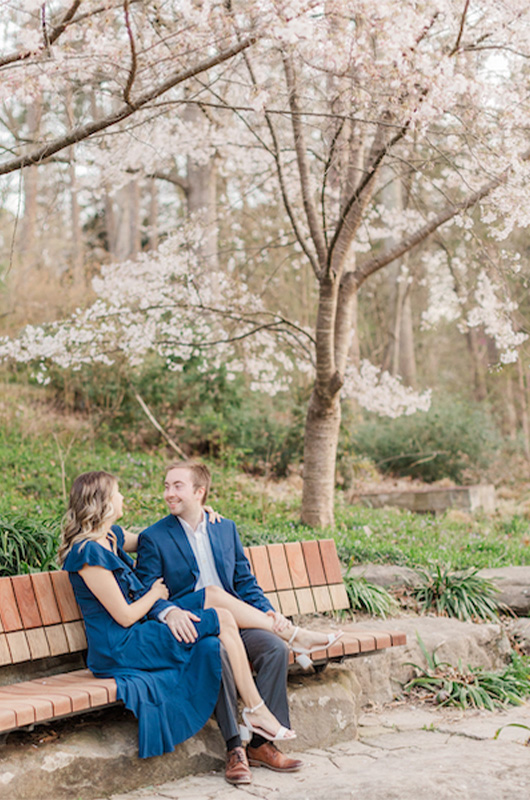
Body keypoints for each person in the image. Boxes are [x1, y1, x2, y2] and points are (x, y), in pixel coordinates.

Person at [59, 471, 295, 786]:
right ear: (101, 502)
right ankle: (255, 710)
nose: (122, 498)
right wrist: (156, 596)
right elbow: (125, 615)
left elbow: (152, 537)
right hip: (121, 644)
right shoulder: (87, 553)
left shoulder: (111, 536)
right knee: (221, 617)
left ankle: (251, 736)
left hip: (140, 634)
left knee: (211, 644)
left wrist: (199, 515)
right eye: (117, 493)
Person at [136, 461, 342, 775]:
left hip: (237, 620)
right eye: (166, 486)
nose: (168, 493)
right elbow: (145, 592)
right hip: (195, 626)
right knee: (216, 653)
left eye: (177, 486)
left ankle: (261, 745)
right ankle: (234, 748)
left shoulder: (224, 527)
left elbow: (245, 582)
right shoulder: (155, 536)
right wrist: (170, 611)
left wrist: (267, 611)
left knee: (273, 648)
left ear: (199, 491)